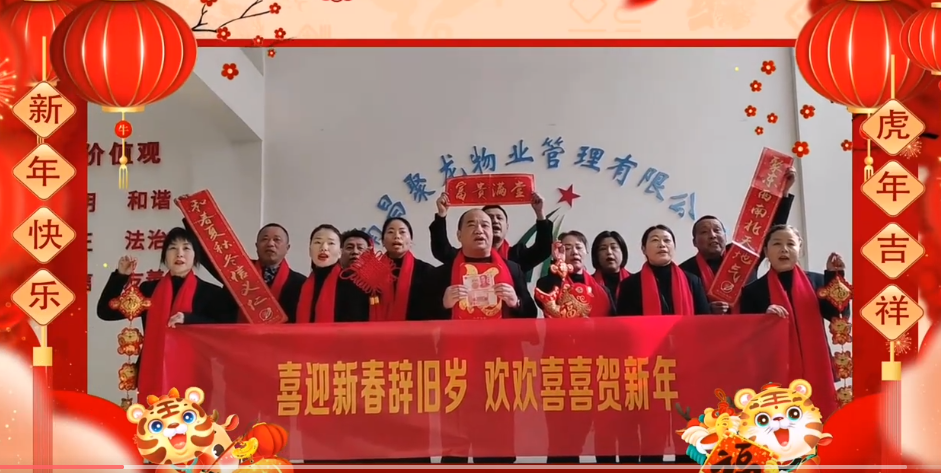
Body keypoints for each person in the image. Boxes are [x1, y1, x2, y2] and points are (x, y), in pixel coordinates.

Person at [425, 208, 537, 464]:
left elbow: (531, 318)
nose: (480, 230)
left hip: (499, 371)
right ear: (458, 235)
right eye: (472, 225)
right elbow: (421, 321)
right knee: (455, 446)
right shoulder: (441, 274)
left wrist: (516, 302)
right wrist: (443, 305)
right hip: (456, 372)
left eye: (485, 225)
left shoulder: (512, 270)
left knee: (498, 445)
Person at [96, 227, 236, 401]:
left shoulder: (211, 293)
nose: (179, 254)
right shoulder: (149, 290)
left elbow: (226, 329)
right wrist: (120, 276)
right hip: (153, 374)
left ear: (195, 256)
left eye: (186, 248)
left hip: (196, 378)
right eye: (172, 248)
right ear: (164, 256)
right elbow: (106, 312)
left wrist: (189, 320)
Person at [739, 224, 844, 421]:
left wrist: (834, 278)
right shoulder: (753, 291)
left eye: (790, 244)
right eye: (777, 244)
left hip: (817, 368)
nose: (784, 249)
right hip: (775, 371)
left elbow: (838, 315)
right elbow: (746, 335)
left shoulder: (817, 282)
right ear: (766, 251)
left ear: (800, 248)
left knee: (823, 423)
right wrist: (764, 317)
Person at [535, 232, 614, 464]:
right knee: (562, 440)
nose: (574, 252)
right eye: (567, 247)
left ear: (586, 252)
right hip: (559, 372)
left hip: (596, 373)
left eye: (578, 247)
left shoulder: (601, 289)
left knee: (603, 437)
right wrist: (557, 266)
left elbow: (616, 328)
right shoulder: (549, 283)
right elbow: (543, 297)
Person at [679, 168, 797, 313]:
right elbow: (683, 309)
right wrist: (707, 310)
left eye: (717, 230)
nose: (712, 235)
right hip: (710, 327)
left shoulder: (743, 252)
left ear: (725, 236)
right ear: (694, 242)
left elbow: (772, 233)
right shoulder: (684, 271)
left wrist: (784, 192)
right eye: (704, 232)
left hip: (753, 322)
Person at [183, 220, 307, 321]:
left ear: (287, 248)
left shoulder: (301, 283)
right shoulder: (238, 269)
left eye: (277, 239)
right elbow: (209, 255)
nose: (270, 243)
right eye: (264, 239)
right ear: (256, 246)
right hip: (235, 340)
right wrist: (191, 217)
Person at [430, 192, 552, 273]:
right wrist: (441, 215)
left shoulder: (517, 257)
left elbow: (543, 249)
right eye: (489, 219)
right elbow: (441, 250)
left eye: (499, 218)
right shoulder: (462, 256)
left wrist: (540, 213)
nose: (495, 221)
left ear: (507, 227)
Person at [616, 225, 712, 318]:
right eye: (655, 240)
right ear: (644, 249)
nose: (662, 245)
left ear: (674, 247)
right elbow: (625, 323)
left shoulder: (693, 281)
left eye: (667, 240)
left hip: (686, 329)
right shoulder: (629, 285)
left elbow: (703, 319)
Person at [292, 224, 371, 324]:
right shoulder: (300, 285)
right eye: (317, 242)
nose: (324, 248)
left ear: (340, 252)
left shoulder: (353, 283)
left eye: (331, 243)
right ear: (310, 250)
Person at [380, 217, 436, 322]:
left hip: (416, 330)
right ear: (383, 241)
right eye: (391, 232)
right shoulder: (372, 272)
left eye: (402, 232)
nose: (397, 236)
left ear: (410, 241)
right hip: (376, 330)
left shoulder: (427, 271)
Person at [590, 230, 631, 299]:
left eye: (614, 247)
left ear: (623, 252)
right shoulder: (587, 284)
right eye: (603, 248)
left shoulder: (636, 282)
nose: (609, 252)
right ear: (596, 255)